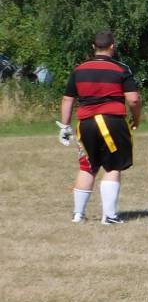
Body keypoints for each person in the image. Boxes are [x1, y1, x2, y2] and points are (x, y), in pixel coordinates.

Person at [57, 30, 141, 225]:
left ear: (94, 47)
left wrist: (65, 126)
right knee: (113, 166)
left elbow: (67, 99)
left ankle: (78, 215)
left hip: (85, 123)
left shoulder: (79, 70)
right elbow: (134, 100)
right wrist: (136, 119)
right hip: (112, 121)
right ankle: (109, 216)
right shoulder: (121, 69)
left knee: (88, 166)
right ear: (112, 46)